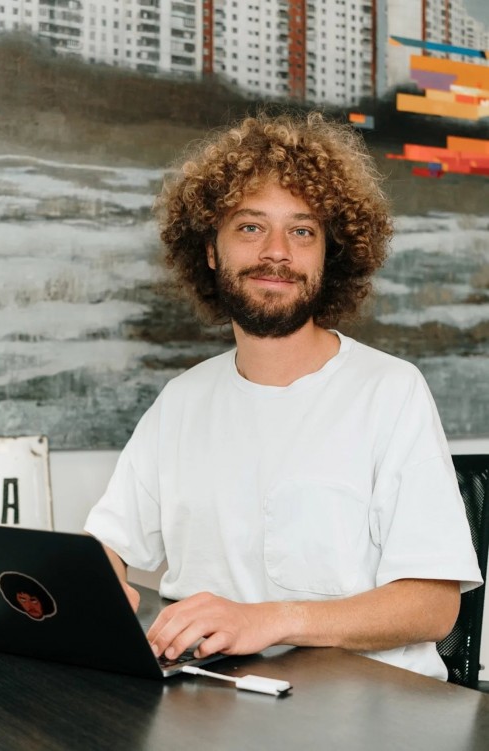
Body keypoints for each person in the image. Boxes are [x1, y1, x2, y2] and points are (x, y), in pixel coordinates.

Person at [85, 110, 482, 680]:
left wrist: (267, 620)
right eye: (250, 227)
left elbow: (433, 607)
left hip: (369, 707)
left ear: (328, 255)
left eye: (302, 231)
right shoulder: (182, 400)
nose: (277, 252)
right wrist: (103, 585)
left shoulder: (391, 391)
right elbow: (108, 542)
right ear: (211, 250)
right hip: (214, 696)